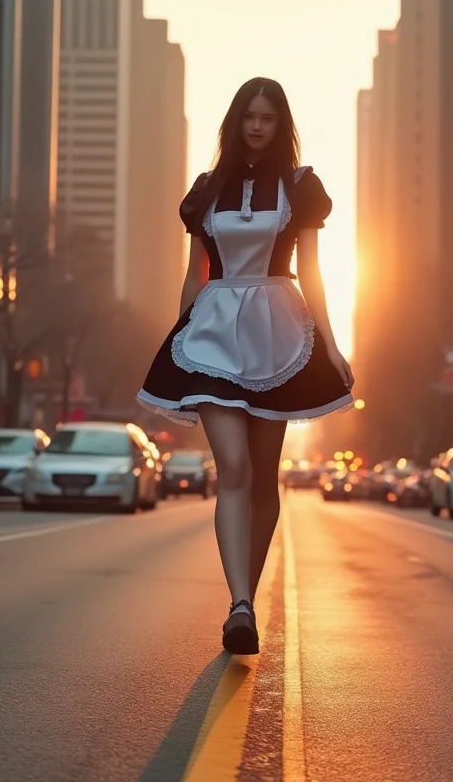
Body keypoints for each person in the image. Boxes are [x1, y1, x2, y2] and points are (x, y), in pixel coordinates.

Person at [137, 77, 354, 655]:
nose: (257, 125)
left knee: (264, 474)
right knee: (231, 466)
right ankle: (238, 603)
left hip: (278, 329)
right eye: (248, 116)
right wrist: (178, 337)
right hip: (211, 331)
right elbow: (195, 273)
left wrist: (330, 344)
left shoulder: (302, 187)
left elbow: (313, 270)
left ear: (282, 125)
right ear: (234, 122)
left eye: (268, 117)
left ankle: (245, 603)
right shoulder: (207, 190)